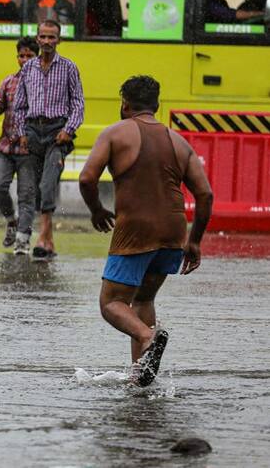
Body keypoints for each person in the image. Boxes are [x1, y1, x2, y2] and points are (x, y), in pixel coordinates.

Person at [78, 75, 213, 387]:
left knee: (111, 303)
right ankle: (141, 375)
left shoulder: (114, 133)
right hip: (174, 230)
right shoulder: (179, 142)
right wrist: (194, 242)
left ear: (124, 104)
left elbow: (87, 179)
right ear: (157, 105)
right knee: (143, 298)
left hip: (136, 229)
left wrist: (97, 210)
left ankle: (147, 336)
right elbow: (205, 195)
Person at [12, 19, 84, 258]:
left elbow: (78, 104)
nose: (47, 42)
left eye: (52, 37)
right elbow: (19, 106)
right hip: (32, 132)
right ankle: (38, 239)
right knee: (31, 188)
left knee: (48, 183)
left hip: (57, 133)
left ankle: (44, 237)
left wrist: (69, 129)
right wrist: (21, 133)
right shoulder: (28, 68)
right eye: (43, 37)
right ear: (37, 38)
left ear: (59, 40)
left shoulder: (69, 67)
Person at [0, 37, 40, 250]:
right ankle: (11, 221)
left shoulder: (43, 85)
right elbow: (0, 109)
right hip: (5, 147)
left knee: (26, 194)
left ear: (37, 58)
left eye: (30, 56)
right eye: (21, 55)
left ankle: (23, 239)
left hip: (29, 150)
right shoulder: (9, 82)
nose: (25, 60)